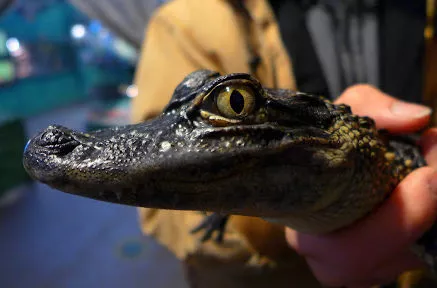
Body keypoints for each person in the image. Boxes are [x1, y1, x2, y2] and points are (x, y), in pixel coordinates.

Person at [132, 0, 437, 287]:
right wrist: (272, 225)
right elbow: (172, 207)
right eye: (235, 101)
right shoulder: (186, 23)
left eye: (235, 102)